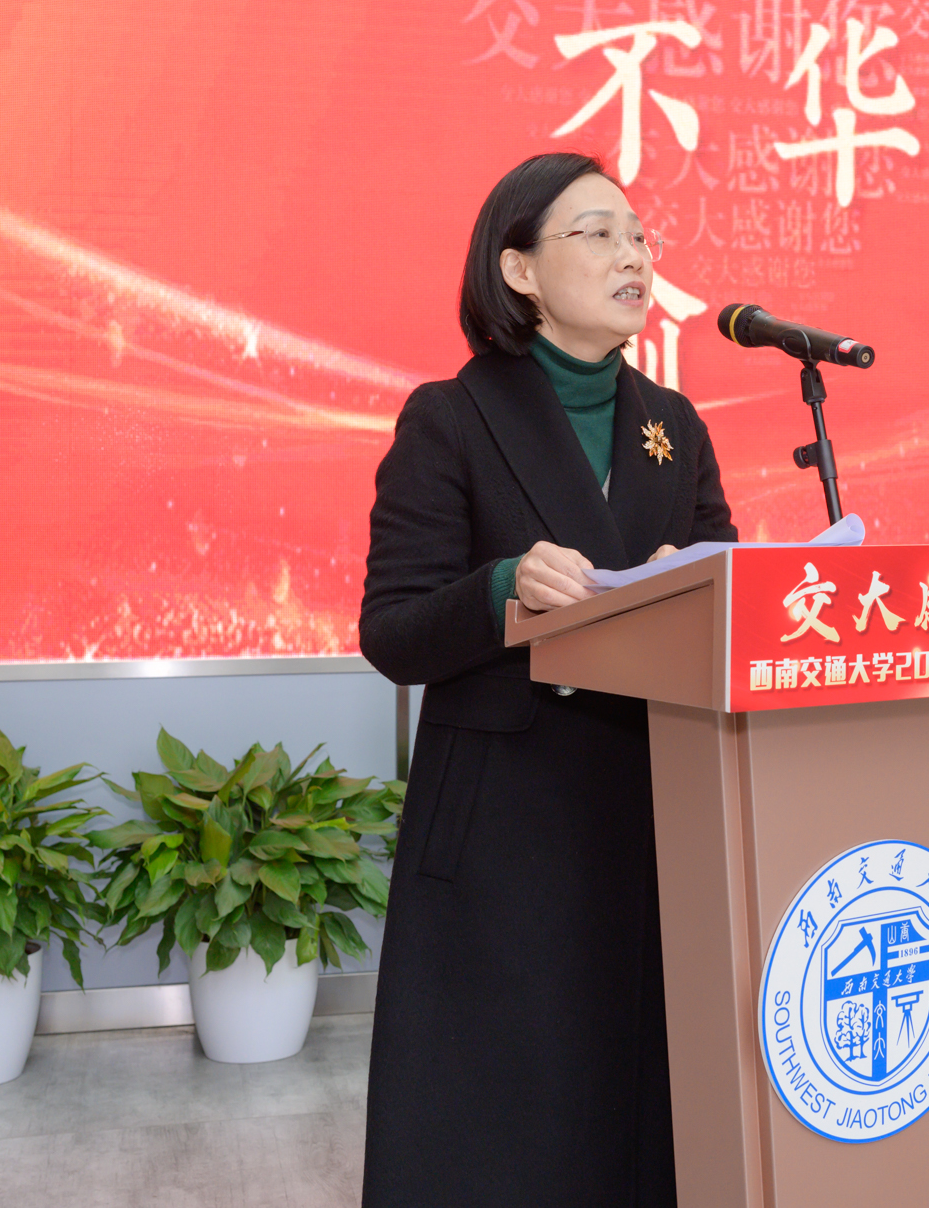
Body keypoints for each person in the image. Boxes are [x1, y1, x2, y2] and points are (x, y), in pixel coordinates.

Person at [357, 152, 738, 1207]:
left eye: (639, 235)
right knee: (508, 1128)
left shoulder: (674, 426)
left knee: (634, 1113)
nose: (632, 255)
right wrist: (501, 589)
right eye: (597, 233)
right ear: (518, 269)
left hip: (652, 817)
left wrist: (692, 585)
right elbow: (391, 630)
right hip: (506, 839)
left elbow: (729, 586)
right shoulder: (450, 417)